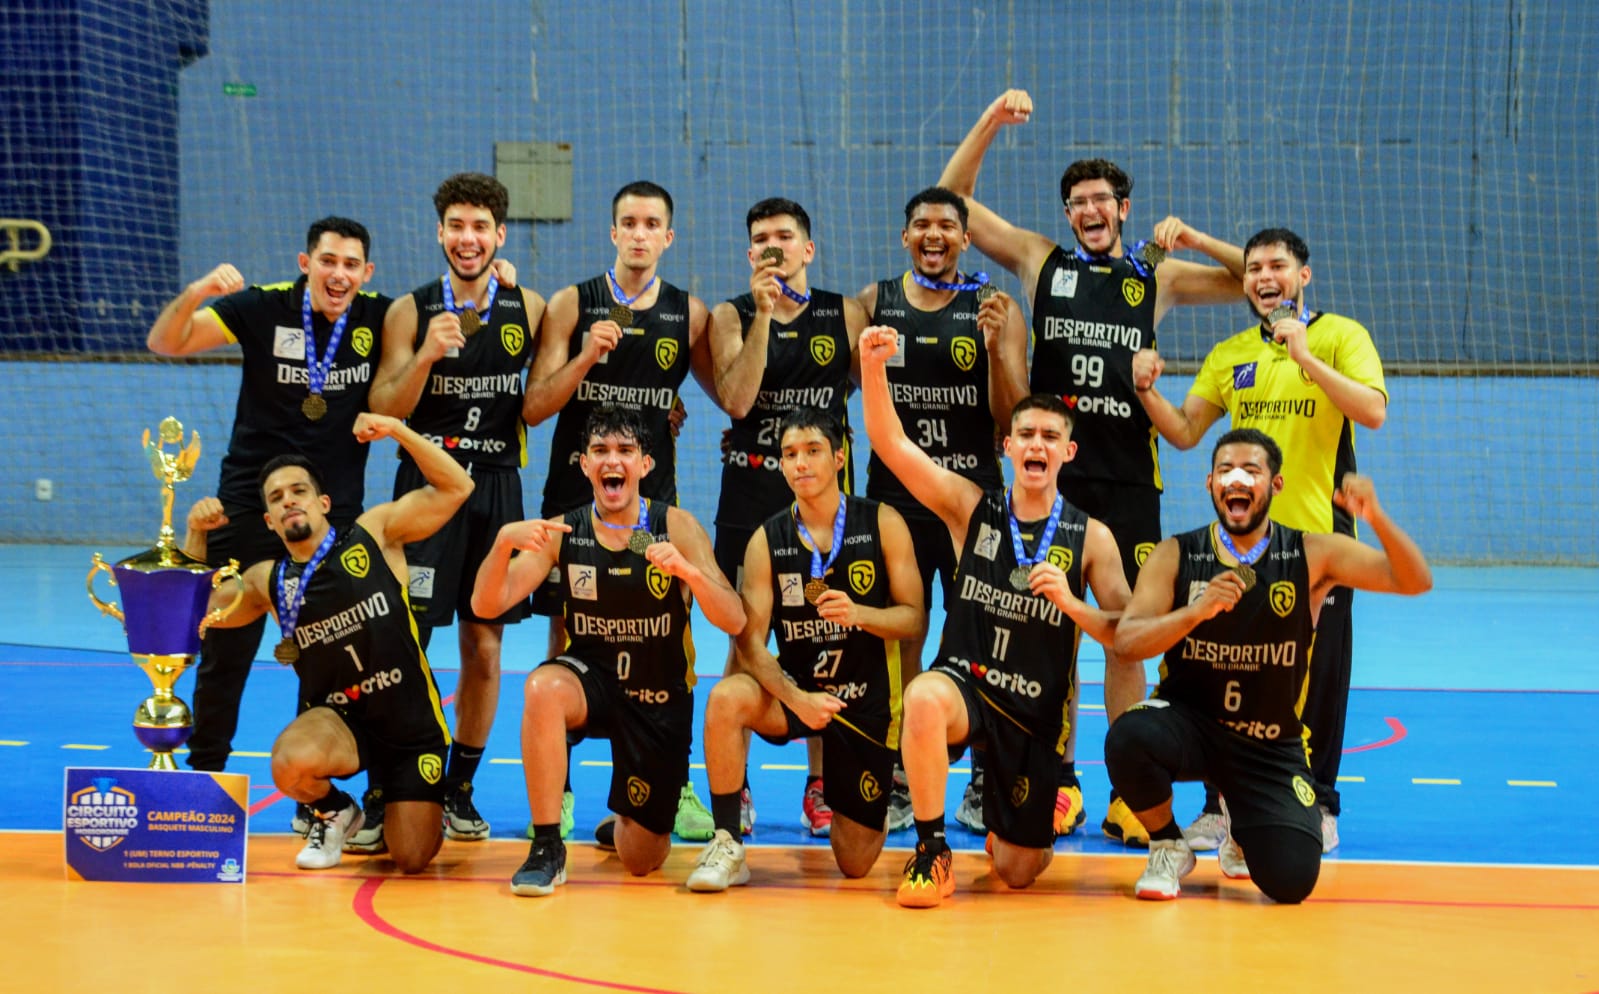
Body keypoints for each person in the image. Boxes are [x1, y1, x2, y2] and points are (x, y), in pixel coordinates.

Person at [939, 90, 1247, 847]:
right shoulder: (1040, 261)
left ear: (1123, 208)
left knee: (1125, 632)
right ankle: (1059, 782)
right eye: (1077, 202)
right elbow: (952, 202)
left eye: (1100, 200)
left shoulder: (1155, 276)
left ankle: (1129, 790)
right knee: (1047, 632)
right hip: (1053, 481)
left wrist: (1194, 237)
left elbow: (1257, 281)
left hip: (1129, 485)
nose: (1088, 211)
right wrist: (991, 121)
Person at [1132, 228, 1388, 851]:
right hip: (1244, 546)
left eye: (1277, 266)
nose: (1264, 278)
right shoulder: (1231, 353)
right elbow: (1186, 432)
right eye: (1253, 269)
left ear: (1304, 276)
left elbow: (1373, 410)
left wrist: (1306, 359)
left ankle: (1319, 801)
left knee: (1316, 678)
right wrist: (1145, 391)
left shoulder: (1341, 336)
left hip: (1318, 545)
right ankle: (1220, 807)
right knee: (1229, 674)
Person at [860, 326, 1129, 909]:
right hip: (968, 683)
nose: (1037, 445)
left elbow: (1128, 638)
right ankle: (932, 850)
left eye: (1050, 436)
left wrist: (1074, 605)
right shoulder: (970, 508)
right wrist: (872, 366)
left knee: (1017, 871)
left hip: (1032, 711)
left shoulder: (1093, 539)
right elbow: (892, 444)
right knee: (924, 698)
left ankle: (1016, 831)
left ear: (1067, 452)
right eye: (1026, 434)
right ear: (1007, 446)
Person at [1105, 429, 1429, 902]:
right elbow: (1127, 642)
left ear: (1276, 485)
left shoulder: (1312, 554)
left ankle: (1241, 824)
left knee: (1291, 880)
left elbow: (1415, 580)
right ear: (1210, 483)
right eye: (1225, 470)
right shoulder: (1176, 553)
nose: (1236, 479)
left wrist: (1375, 517)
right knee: (1128, 737)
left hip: (1268, 743)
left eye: (1250, 470)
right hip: (1190, 727)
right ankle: (1168, 844)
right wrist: (1193, 613)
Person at [146, 218, 390, 794]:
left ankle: (324, 792)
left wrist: (500, 277)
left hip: (331, 514)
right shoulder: (263, 307)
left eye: (350, 264)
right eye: (327, 261)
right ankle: (203, 781)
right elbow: (165, 342)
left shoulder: (381, 315)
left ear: (366, 272)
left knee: (336, 655)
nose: (339, 274)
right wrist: (200, 290)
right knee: (225, 649)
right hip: (250, 504)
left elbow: (456, 309)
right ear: (306, 264)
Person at [471, 405, 745, 897]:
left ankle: (629, 820)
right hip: (591, 682)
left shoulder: (677, 527)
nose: (611, 460)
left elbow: (735, 619)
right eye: (600, 450)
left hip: (658, 697)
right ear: (584, 464)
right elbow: (486, 603)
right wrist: (500, 545)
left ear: (645, 464)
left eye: (624, 451)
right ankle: (547, 847)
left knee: (641, 860)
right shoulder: (563, 531)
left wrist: (691, 574)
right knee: (542, 687)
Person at [188, 413, 475, 873]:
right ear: (269, 521)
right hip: (341, 723)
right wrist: (196, 534)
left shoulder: (376, 533)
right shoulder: (267, 581)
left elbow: (457, 487)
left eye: (298, 491)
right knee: (289, 762)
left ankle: (404, 798)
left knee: (412, 857)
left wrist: (397, 430)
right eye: (276, 498)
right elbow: (193, 610)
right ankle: (336, 811)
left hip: (410, 726)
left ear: (323, 503)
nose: (288, 500)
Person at [520, 180, 717, 841]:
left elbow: (731, 395)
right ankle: (560, 791)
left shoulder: (689, 314)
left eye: (651, 224)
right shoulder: (571, 304)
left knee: (669, 639)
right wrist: (584, 356)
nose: (638, 233)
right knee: (563, 634)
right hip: (574, 499)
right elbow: (533, 407)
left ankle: (675, 783)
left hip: (649, 506)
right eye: (628, 222)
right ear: (612, 232)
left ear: (668, 237)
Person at [365, 173, 547, 852]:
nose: (467, 239)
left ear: (500, 235)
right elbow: (384, 408)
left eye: (480, 227)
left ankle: (457, 786)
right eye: (456, 226)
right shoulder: (409, 311)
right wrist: (426, 356)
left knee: (485, 646)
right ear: (439, 232)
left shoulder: (530, 306)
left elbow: (546, 394)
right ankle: (389, 787)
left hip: (496, 488)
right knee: (404, 645)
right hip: (426, 485)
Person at [685, 409, 924, 891]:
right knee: (726, 698)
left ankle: (859, 801)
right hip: (798, 695)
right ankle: (728, 841)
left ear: (839, 458)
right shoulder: (766, 540)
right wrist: (797, 699)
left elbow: (913, 618)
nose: (800, 464)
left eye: (813, 451)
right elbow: (749, 644)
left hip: (865, 705)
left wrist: (860, 614)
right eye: (790, 454)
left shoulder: (882, 522)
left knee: (854, 862)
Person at [855, 186, 1029, 833]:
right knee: (901, 633)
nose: (934, 234)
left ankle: (984, 772)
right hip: (895, 499)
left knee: (980, 635)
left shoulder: (994, 307)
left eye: (947, 225)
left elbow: (1012, 418)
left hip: (970, 501)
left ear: (965, 239)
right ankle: (901, 775)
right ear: (905, 237)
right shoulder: (874, 303)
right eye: (922, 225)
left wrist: (997, 351)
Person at [708, 198, 867, 838]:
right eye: (761, 239)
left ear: (808, 249)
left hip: (823, 494)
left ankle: (821, 785)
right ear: (751, 254)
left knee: (827, 634)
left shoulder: (845, 313)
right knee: (741, 635)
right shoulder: (730, 315)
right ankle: (736, 785)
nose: (772, 246)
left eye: (784, 236)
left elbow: (856, 386)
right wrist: (764, 316)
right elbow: (737, 398)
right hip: (749, 493)